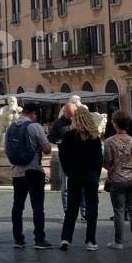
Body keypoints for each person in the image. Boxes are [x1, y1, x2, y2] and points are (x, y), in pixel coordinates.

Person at [7, 102, 53, 250]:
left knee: (17, 206)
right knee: (37, 206)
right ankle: (39, 239)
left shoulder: (10, 128)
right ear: (33, 114)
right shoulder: (35, 126)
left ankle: (17, 239)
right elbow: (47, 149)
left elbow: (6, 150)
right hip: (33, 170)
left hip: (16, 172)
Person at [58, 107, 103, 251]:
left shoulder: (68, 136)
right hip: (90, 174)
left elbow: (63, 156)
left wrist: (68, 171)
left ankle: (65, 238)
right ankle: (90, 240)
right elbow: (99, 159)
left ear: (75, 119)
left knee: (72, 207)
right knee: (92, 208)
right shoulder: (94, 138)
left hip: (74, 174)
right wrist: (96, 174)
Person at [103, 111, 132, 250]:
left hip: (117, 179)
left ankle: (118, 242)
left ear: (115, 124)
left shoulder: (109, 142)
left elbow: (107, 161)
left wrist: (110, 167)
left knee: (119, 211)